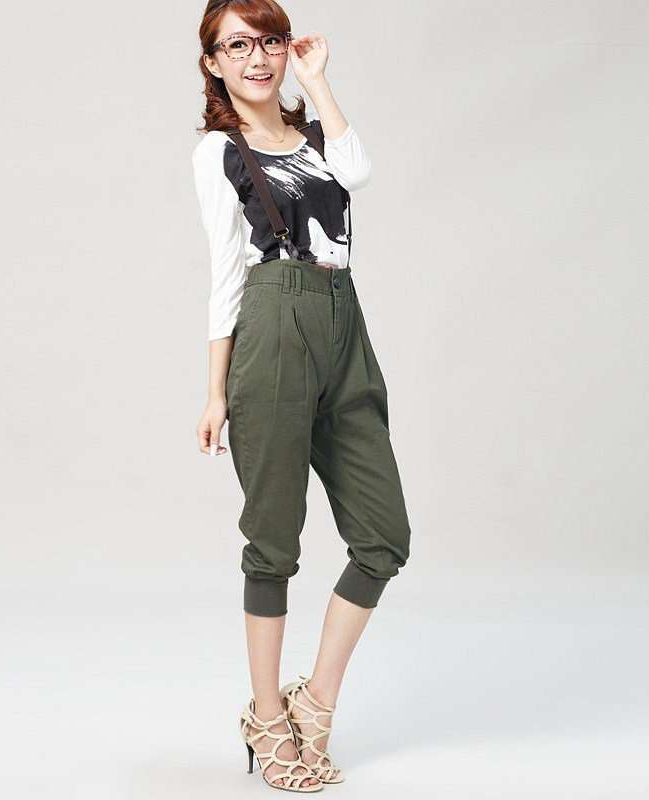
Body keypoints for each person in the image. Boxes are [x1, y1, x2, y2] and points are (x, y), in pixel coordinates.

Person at [192, 0, 412, 791]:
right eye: (238, 46)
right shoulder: (220, 151)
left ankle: (315, 701)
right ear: (213, 62)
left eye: (271, 42)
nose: (258, 58)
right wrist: (214, 391)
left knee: (383, 537)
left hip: (344, 323)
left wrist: (317, 81)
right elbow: (226, 271)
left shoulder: (318, 137)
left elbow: (359, 172)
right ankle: (266, 715)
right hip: (273, 329)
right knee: (275, 540)